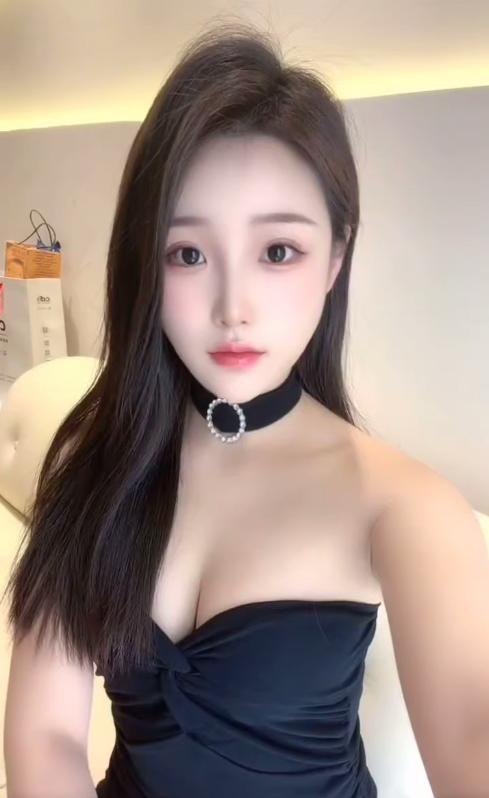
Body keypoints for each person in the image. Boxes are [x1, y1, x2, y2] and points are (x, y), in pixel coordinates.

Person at [6, 18, 488, 798]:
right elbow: (46, 734)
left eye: (277, 251)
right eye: (188, 253)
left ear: (334, 259)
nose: (233, 307)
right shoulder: (95, 455)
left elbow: (471, 733)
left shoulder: (404, 508)